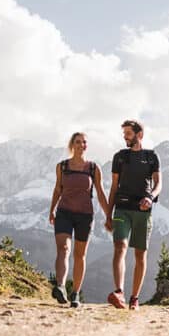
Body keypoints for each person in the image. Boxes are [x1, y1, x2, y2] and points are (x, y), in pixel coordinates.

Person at [48, 132, 109, 308]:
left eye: (84, 142)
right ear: (72, 145)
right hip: (64, 212)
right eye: (77, 142)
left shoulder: (93, 168)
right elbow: (57, 190)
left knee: (80, 255)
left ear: (86, 146)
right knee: (64, 248)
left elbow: (100, 193)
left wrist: (108, 216)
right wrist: (52, 210)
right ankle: (60, 286)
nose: (81, 145)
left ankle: (75, 293)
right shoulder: (62, 167)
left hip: (85, 216)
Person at [106, 119, 161, 310]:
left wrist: (151, 197)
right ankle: (119, 292)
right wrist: (107, 214)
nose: (125, 137)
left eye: (128, 134)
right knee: (120, 246)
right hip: (121, 208)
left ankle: (134, 298)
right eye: (124, 134)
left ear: (139, 135)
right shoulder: (119, 157)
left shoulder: (152, 157)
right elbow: (114, 187)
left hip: (143, 211)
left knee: (140, 254)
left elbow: (158, 183)